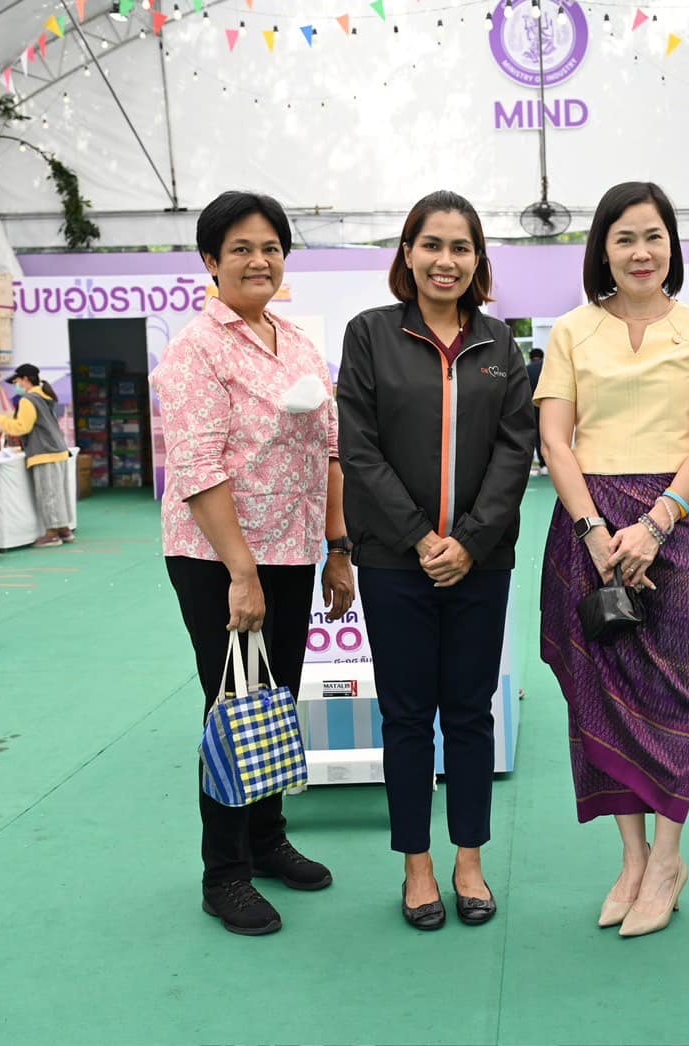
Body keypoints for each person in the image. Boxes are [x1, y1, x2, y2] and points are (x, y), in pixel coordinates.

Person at [535, 181, 689, 938]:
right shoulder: (571, 332)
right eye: (624, 238)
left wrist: (655, 524)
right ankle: (631, 856)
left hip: (676, 525)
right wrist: (594, 528)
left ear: (672, 245)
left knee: (675, 694)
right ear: (603, 249)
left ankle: (669, 859)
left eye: (653, 236)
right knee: (599, 688)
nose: (640, 252)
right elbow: (556, 439)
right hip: (585, 527)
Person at [151, 190, 354, 937]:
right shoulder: (194, 351)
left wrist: (337, 548)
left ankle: (268, 843)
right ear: (211, 261)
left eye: (269, 246)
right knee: (231, 705)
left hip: (294, 549)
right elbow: (198, 469)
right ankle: (224, 872)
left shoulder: (296, 342)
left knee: (275, 697)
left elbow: (332, 450)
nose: (258, 260)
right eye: (240, 248)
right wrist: (241, 571)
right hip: (218, 557)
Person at [337, 190, 533, 932]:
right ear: (408, 253)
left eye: (461, 247)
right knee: (408, 716)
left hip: (481, 565)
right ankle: (417, 865)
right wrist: (422, 539)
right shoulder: (370, 336)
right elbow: (359, 449)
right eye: (432, 245)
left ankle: (469, 857)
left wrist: (472, 542)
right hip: (394, 563)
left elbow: (517, 452)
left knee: (472, 714)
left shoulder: (501, 346)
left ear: (478, 260)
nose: (446, 260)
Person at [0, 364, 76, 547]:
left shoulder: (28, 400)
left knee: (48, 494)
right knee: (59, 493)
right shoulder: (45, 396)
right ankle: (64, 529)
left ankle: (52, 533)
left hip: (44, 452)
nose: (16, 384)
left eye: (17, 381)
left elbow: (23, 427)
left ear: (25, 379)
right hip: (57, 450)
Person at [525, 348, 547, 471]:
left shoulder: (527, 369)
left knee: (538, 436)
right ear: (542, 357)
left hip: (533, 407)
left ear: (531, 358)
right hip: (548, 406)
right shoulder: (547, 367)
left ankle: (543, 464)